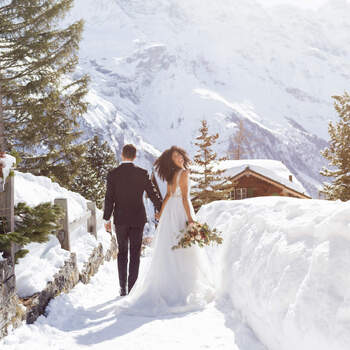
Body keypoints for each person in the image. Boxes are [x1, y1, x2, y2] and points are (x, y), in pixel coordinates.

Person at [116, 146, 214, 316]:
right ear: (172, 160)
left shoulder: (172, 175)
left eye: (180, 155)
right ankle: (182, 285)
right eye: (176, 157)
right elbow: (182, 197)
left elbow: (168, 195)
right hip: (179, 210)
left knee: (171, 246)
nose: (180, 158)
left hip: (170, 211)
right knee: (182, 247)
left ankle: (170, 283)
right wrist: (190, 218)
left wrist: (161, 213)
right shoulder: (183, 173)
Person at [103, 144, 163, 296]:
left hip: (120, 220)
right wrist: (161, 209)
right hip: (137, 219)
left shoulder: (113, 174)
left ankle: (123, 288)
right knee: (135, 253)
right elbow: (153, 193)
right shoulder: (142, 173)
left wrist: (106, 219)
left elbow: (109, 198)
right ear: (135, 157)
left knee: (122, 252)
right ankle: (132, 288)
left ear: (122, 155)